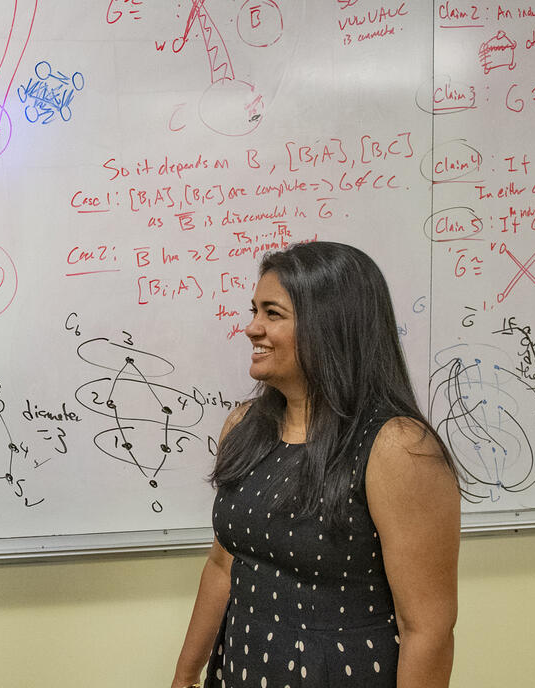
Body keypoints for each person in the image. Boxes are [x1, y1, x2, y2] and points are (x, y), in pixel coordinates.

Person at [169, 241, 460, 688]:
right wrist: (185, 677)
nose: (251, 328)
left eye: (272, 313)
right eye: (254, 311)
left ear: (330, 325)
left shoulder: (398, 447)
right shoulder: (244, 425)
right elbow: (222, 566)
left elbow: (428, 630)